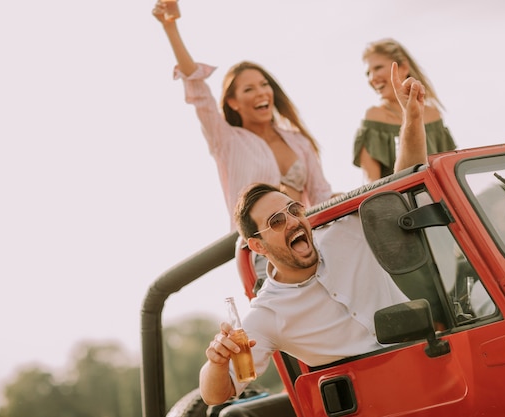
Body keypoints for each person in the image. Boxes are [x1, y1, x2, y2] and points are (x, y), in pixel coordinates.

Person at [199, 62, 428, 416]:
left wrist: (411, 117)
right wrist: (215, 362)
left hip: (428, 372)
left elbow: (401, 183)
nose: (292, 221)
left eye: (294, 210)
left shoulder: (345, 232)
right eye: (277, 221)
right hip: (368, 403)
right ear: (257, 246)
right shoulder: (268, 314)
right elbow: (218, 394)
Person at [152, 1, 333, 230]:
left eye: (264, 85)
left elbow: (322, 197)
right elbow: (198, 91)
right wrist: (171, 28)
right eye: (249, 89)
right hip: (258, 253)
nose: (260, 93)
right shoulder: (226, 141)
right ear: (233, 102)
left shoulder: (299, 142)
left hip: (303, 241)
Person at [353, 38, 456, 183]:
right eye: (368, 73)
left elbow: (448, 174)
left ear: (403, 68)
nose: (372, 78)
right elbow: (371, 185)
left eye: (378, 68)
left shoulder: (433, 114)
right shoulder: (374, 116)